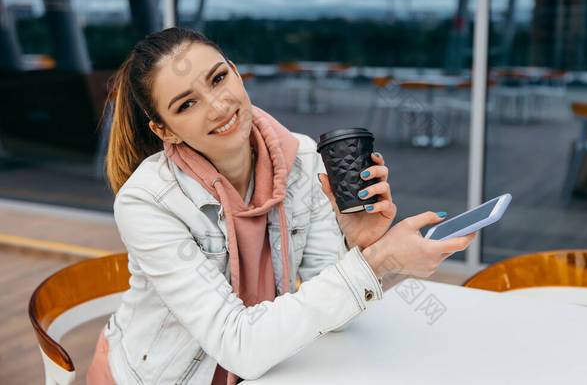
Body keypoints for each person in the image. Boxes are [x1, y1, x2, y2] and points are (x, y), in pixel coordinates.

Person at [87, 27, 475, 385]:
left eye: (219, 78)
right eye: (187, 104)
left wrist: (361, 245)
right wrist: (378, 263)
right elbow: (239, 345)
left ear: (237, 72)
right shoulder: (147, 201)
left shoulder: (303, 158)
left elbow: (336, 317)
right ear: (164, 130)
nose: (219, 106)